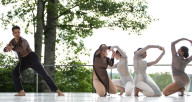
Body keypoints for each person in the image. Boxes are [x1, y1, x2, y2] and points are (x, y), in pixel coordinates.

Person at [4, 26, 64, 96]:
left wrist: (12, 48)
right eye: (15, 32)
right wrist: (6, 48)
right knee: (14, 73)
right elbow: (6, 49)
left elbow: (22, 49)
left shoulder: (23, 40)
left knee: (44, 75)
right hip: (23, 60)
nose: (17, 34)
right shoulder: (12, 41)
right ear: (13, 33)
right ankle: (21, 91)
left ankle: (57, 91)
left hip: (31, 58)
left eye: (18, 32)